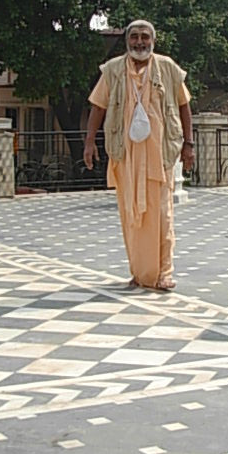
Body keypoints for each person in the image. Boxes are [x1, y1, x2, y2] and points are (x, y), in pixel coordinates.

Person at [83, 19, 195, 291]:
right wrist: (89, 143)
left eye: (145, 37)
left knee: (162, 215)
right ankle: (140, 273)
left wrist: (188, 145)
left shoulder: (168, 68)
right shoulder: (112, 70)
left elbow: (184, 105)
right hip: (126, 158)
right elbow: (98, 107)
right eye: (134, 37)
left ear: (153, 40)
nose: (140, 42)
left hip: (160, 155)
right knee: (131, 216)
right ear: (127, 41)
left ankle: (163, 273)